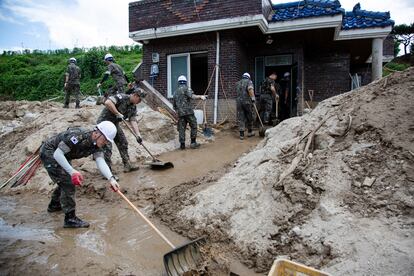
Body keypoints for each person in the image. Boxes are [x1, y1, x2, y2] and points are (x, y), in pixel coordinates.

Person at [40, 121, 120, 228]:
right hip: (50, 152)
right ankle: (70, 219)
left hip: (65, 155)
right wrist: (72, 171)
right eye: (104, 139)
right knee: (68, 182)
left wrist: (111, 179)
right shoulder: (78, 136)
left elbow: (100, 160)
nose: (105, 142)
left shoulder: (98, 144)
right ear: (97, 133)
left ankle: (54, 205)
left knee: (64, 180)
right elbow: (58, 154)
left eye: (107, 140)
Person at [97, 87, 145, 174]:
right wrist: (117, 113)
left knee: (123, 142)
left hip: (114, 125)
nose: (140, 102)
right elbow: (108, 102)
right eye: (140, 99)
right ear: (134, 95)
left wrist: (138, 135)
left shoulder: (133, 107)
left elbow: (133, 120)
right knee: (107, 147)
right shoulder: (121, 97)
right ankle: (107, 171)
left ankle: (127, 165)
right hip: (104, 124)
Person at [173, 75, 207, 150]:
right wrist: (201, 97)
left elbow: (174, 106)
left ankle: (182, 145)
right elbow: (192, 96)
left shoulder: (175, 92)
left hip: (180, 114)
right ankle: (193, 143)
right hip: (189, 112)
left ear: (178, 82)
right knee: (194, 125)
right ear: (185, 82)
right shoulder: (186, 89)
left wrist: (178, 112)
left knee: (182, 129)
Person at [236, 72, 255, 140]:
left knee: (241, 117)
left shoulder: (237, 83)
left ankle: (241, 135)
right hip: (247, 102)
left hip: (239, 102)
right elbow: (250, 89)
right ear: (248, 77)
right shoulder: (249, 81)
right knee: (250, 116)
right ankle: (250, 132)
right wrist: (253, 98)